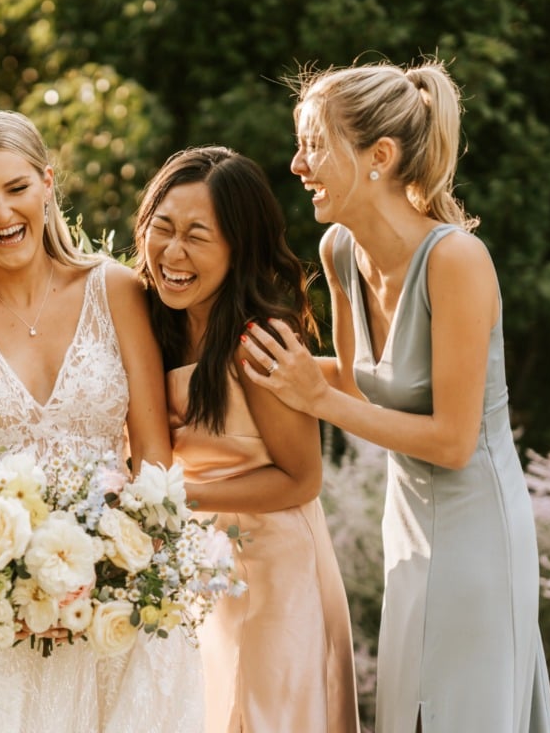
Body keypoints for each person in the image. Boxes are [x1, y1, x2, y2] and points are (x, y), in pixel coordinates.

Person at [242, 60, 550, 733]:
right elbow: (360, 382)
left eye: (315, 144)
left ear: (379, 157)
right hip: (406, 534)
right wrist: (247, 363)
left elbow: (452, 439)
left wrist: (314, 397)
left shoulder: (456, 261)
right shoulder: (339, 250)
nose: (298, 165)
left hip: (480, 538)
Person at [0, 109, 202, 733]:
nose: (1, 214)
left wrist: (122, 568)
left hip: (121, 603)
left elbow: (153, 455)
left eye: (16, 189)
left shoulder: (116, 289)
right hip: (3, 619)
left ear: (47, 181)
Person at [135, 145, 361, 732]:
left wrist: (171, 498)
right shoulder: (151, 321)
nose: (172, 253)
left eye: (197, 236)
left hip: (276, 571)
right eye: (163, 229)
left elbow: (301, 477)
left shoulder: (259, 339)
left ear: (238, 248)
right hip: (200, 565)